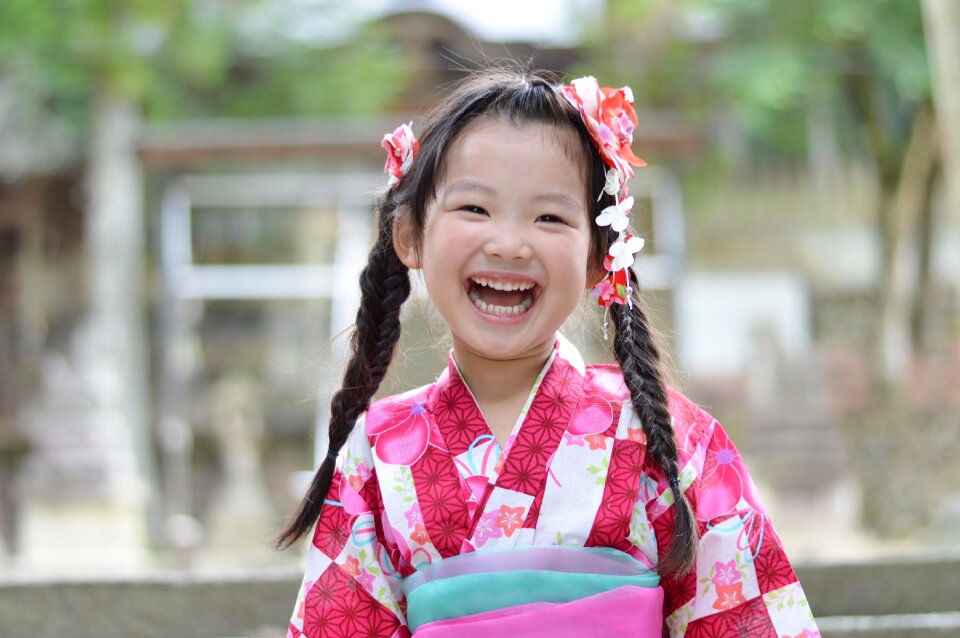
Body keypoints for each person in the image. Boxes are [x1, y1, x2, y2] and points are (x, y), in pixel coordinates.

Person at [276, 69, 820, 638]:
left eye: (550, 218)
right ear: (409, 233)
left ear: (597, 257)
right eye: (475, 209)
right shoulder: (376, 458)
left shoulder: (674, 444)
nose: (509, 243)